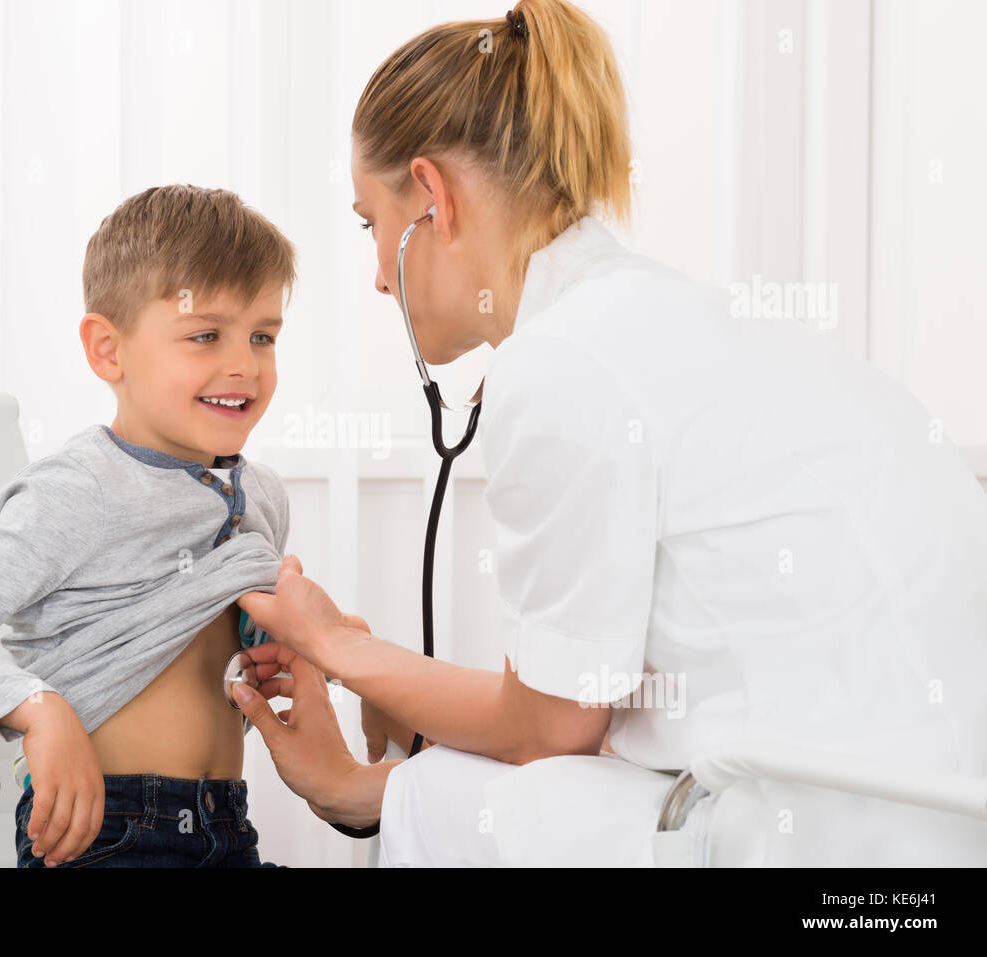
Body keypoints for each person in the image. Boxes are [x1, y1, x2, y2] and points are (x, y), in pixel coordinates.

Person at [232, 0, 987, 866]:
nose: (374, 276)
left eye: (374, 225)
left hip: (831, 845)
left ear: (432, 196)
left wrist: (337, 648)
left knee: (451, 795)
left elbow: (550, 730)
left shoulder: (563, 365)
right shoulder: (659, 323)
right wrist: (401, 704)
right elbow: (581, 707)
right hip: (933, 818)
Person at [0, 185, 298, 867]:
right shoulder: (84, 488)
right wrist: (36, 706)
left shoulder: (262, 496)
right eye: (206, 334)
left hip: (226, 829)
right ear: (108, 349)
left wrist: (302, 650)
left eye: (263, 335)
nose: (244, 364)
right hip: (112, 831)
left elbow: (216, 639)